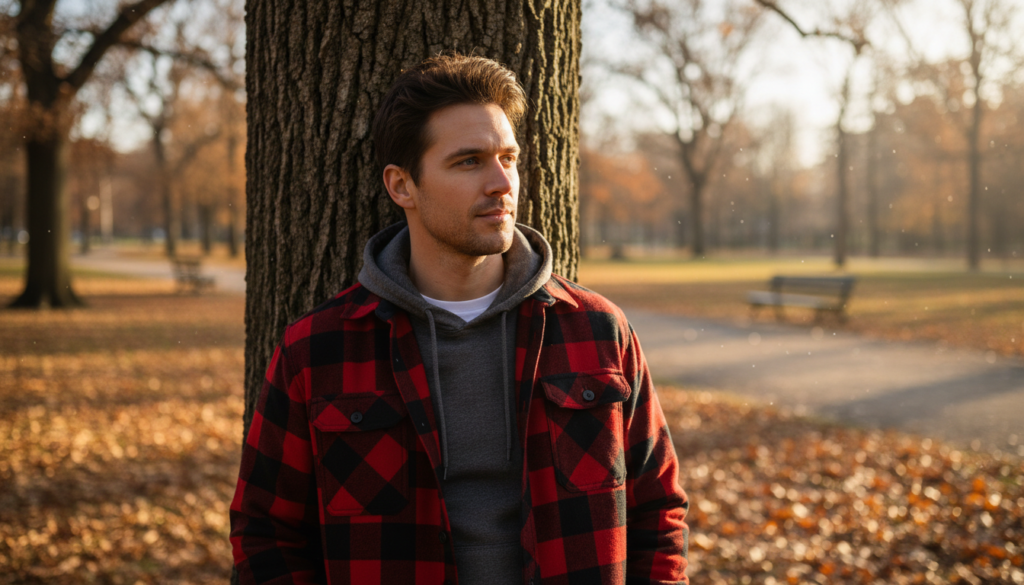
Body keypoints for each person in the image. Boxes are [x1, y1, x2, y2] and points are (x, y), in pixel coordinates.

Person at [230, 53, 689, 585]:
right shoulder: (317, 351)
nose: (502, 183)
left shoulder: (598, 332)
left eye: (508, 158)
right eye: (469, 161)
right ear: (402, 186)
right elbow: (266, 534)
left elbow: (658, 510)